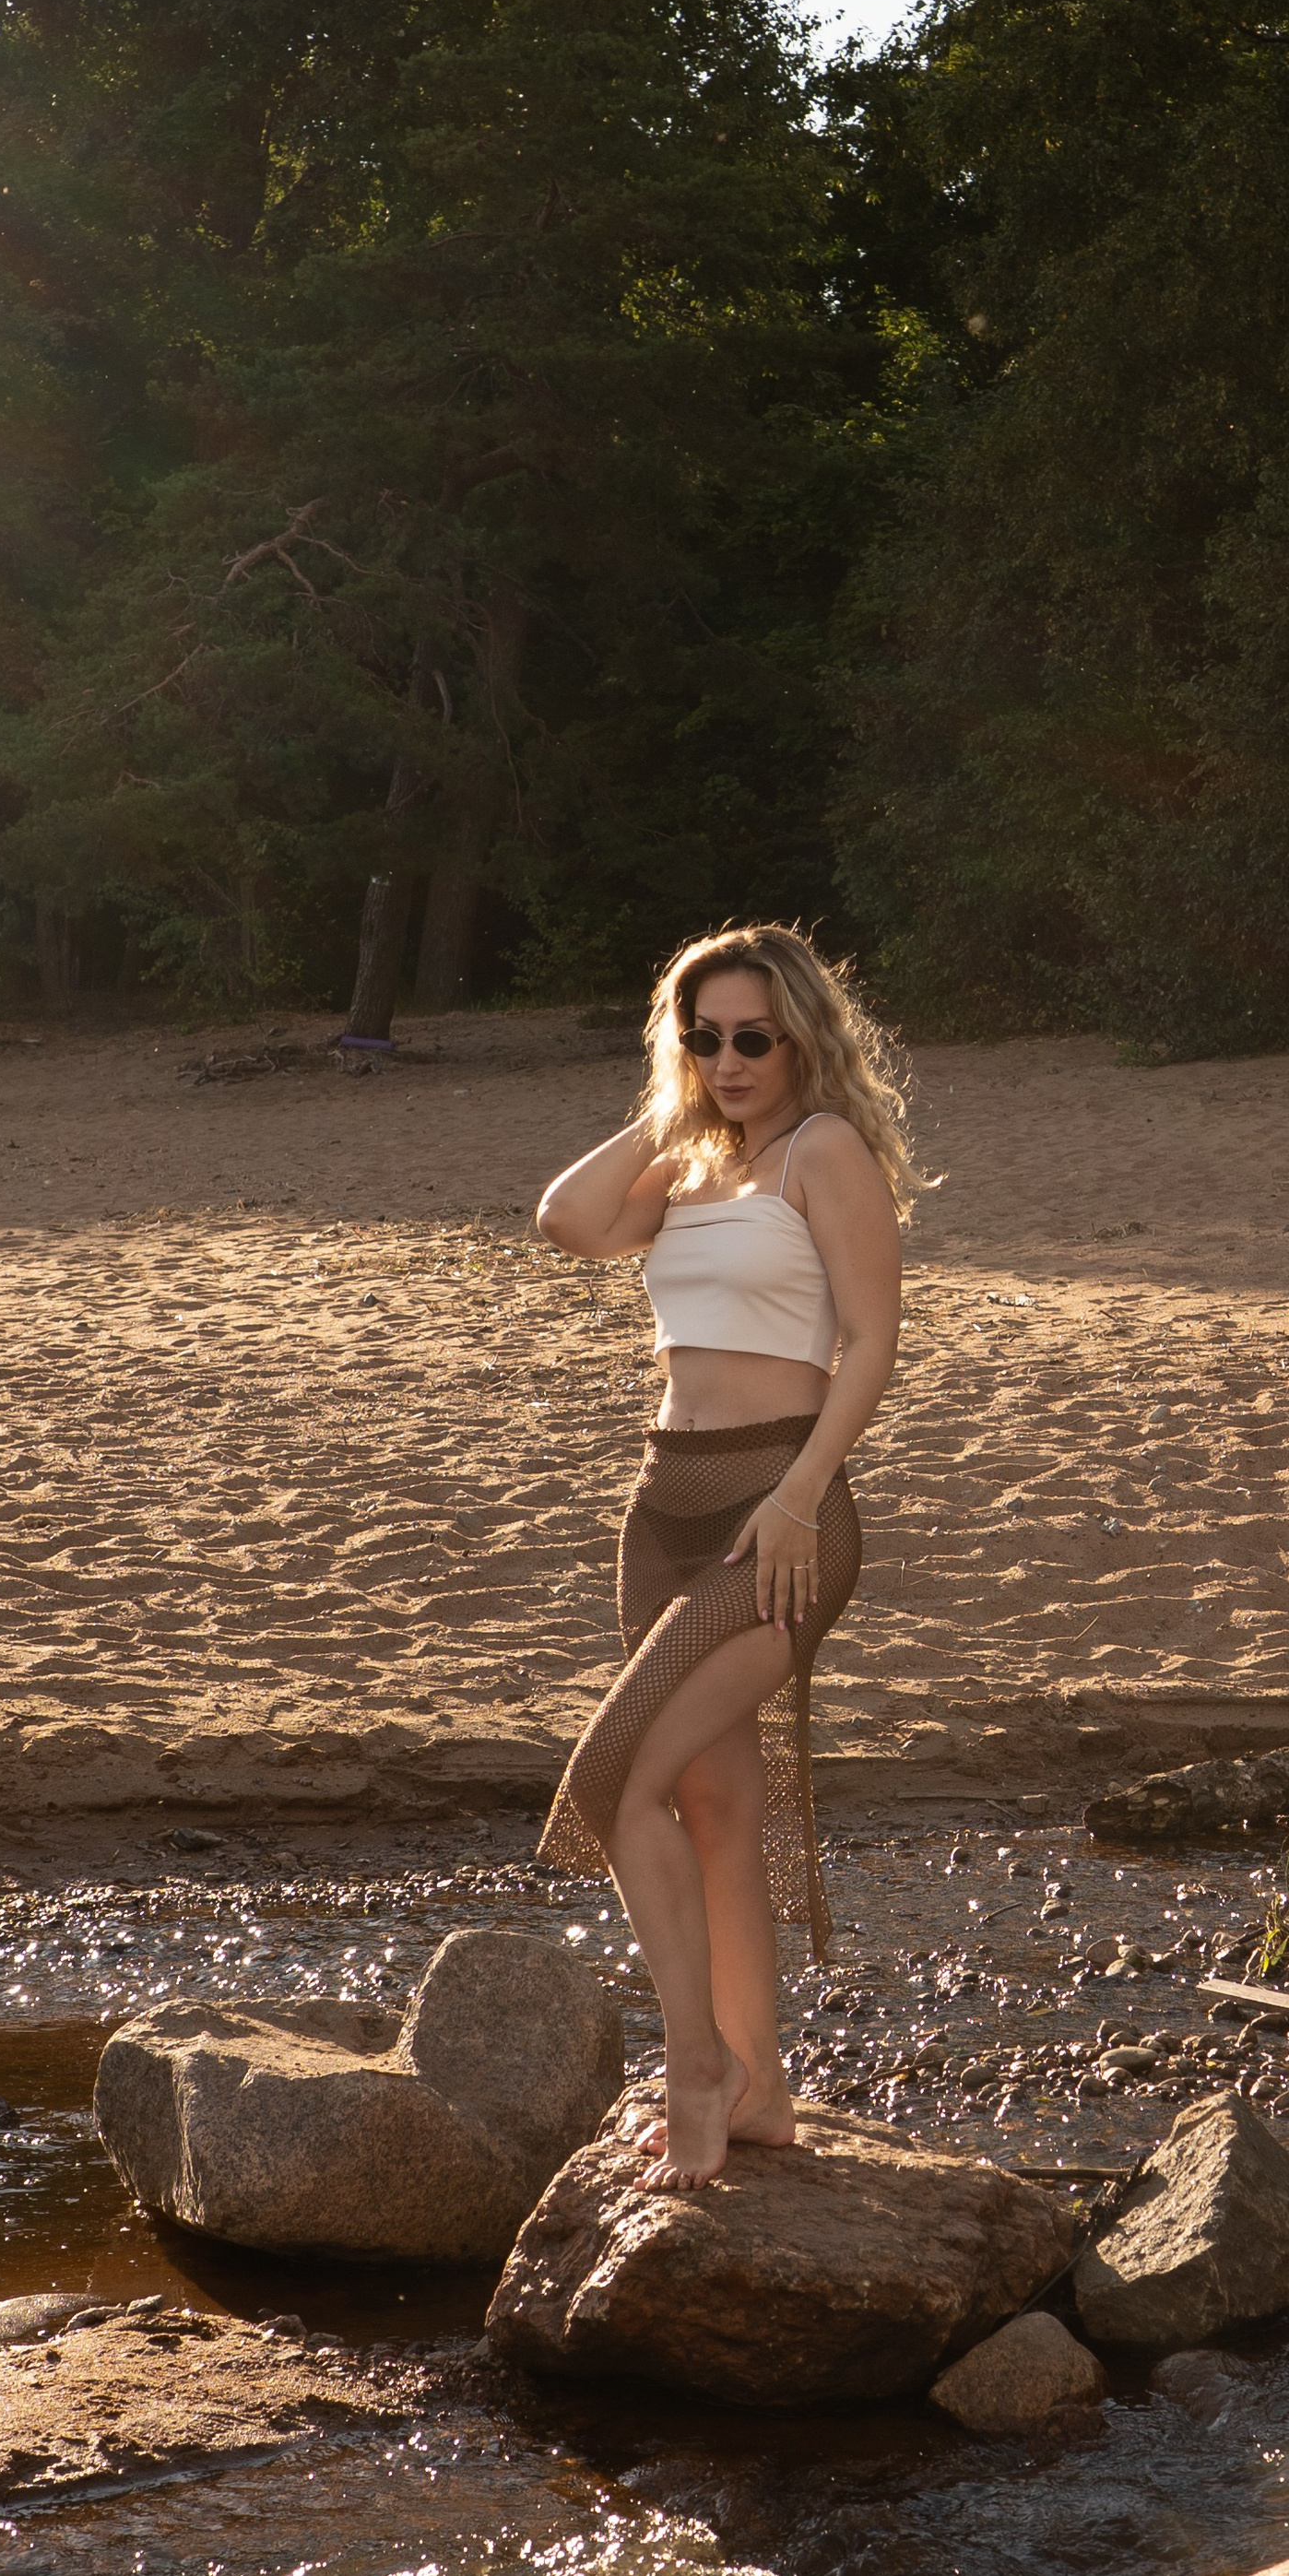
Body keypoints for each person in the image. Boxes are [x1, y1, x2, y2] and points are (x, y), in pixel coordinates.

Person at [533, 925, 913, 2188]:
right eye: (705, 1038)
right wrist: (672, 1106)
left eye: (755, 1036)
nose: (732, 1059)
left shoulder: (826, 1152)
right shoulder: (689, 1164)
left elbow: (871, 1343)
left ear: (803, 1037)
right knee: (713, 1805)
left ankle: (696, 2064)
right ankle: (760, 2090)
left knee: (613, 1787)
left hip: (779, 1510)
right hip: (664, 1510)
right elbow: (567, 1220)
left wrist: (801, 1497)